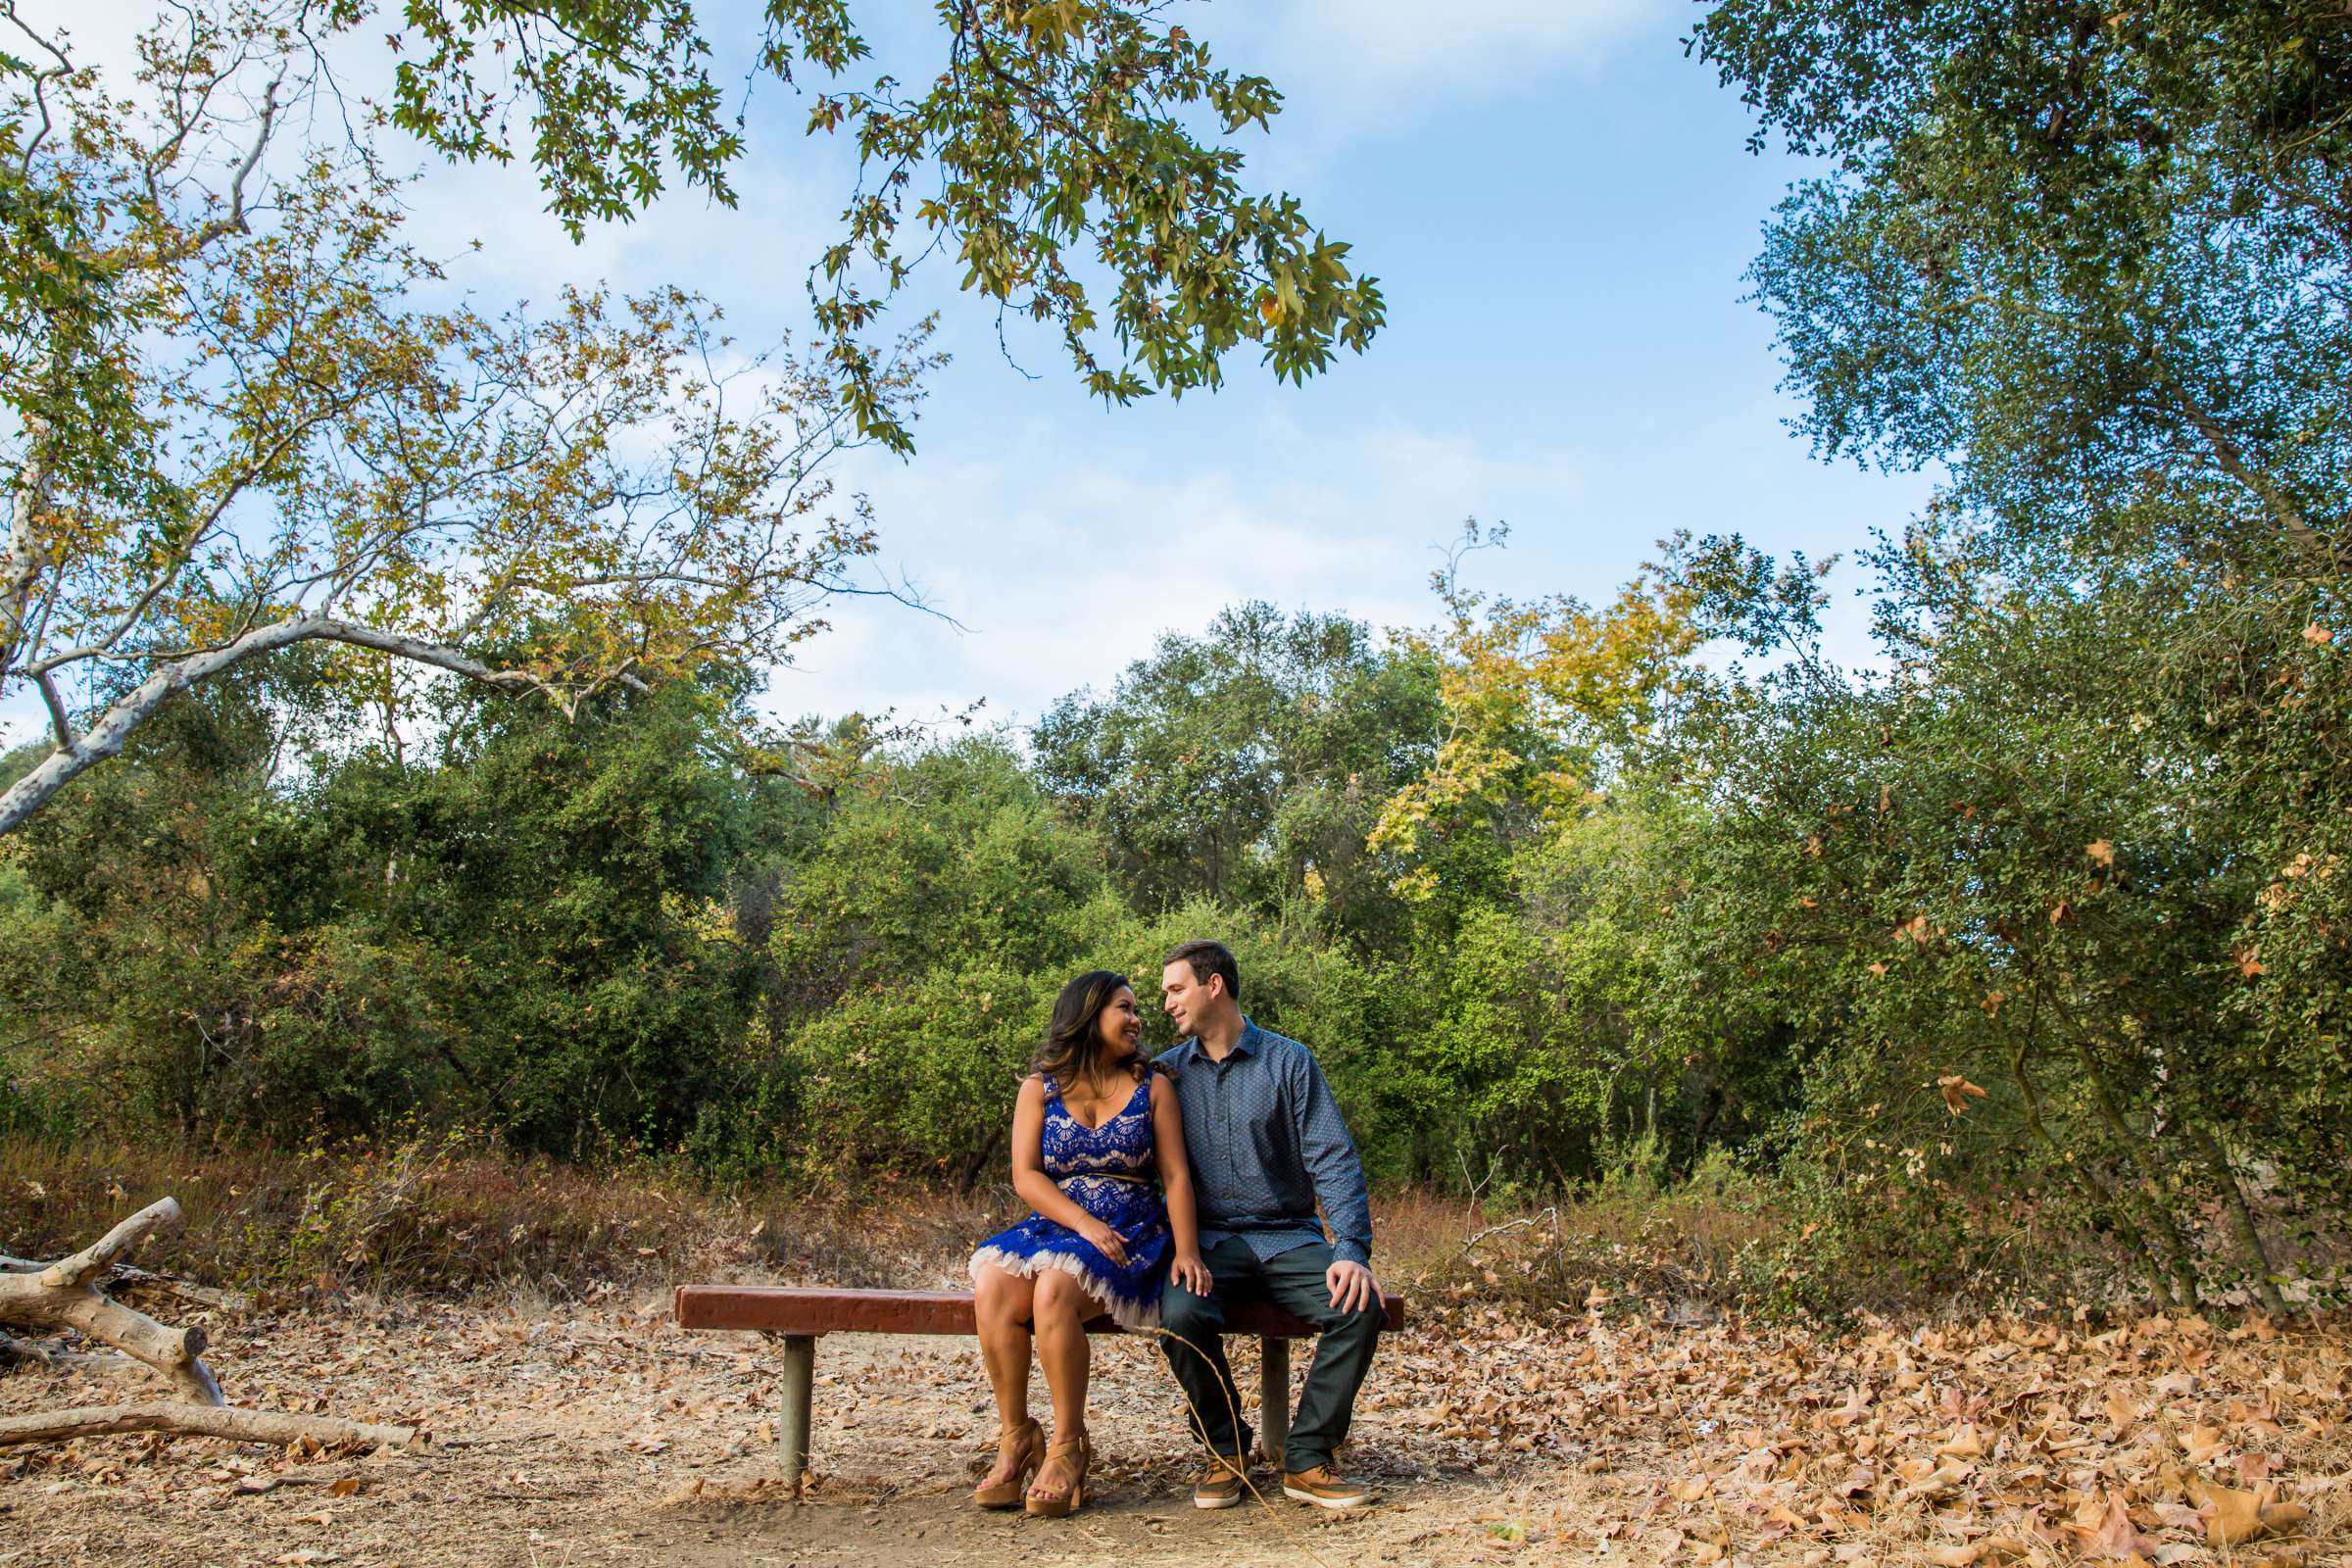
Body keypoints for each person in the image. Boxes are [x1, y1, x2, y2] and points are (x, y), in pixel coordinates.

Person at [966, 970, 1211, 1517]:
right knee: (993, 1286)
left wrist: (1189, 1251)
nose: (1136, 1018)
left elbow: (1175, 1176)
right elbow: (1026, 1175)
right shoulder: (1041, 1087)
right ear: (1088, 1014)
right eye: (1124, 1008)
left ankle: (1068, 1446)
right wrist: (1081, 1222)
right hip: (1059, 1223)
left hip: (1131, 1231)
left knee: (1055, 1288)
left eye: (1136, 1009)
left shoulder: (1154, 1085)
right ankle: (1015, 1437)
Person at [1155, 939, 1384, 1511]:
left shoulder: (1289, 1062)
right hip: (1208, 1244)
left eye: (1175, 989)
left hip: (1288, 1237)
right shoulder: (1167, 1074)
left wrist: (1351, 1248)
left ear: (1215, 986)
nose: (1167, 1005)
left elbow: (1331, 1157)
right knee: (1178, 1314)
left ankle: (1307, 1459)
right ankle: (1227, 1449)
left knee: (1357, 1306)